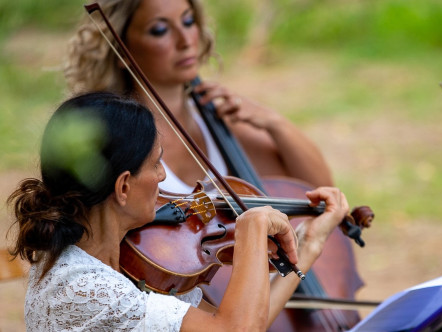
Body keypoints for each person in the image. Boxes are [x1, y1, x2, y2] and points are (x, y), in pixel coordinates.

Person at [64, 0, 363, 325]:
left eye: (189, 21)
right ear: (124, 46)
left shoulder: (217, 120)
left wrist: (273, 122)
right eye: (160, 29)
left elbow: (316, 188)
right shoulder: (119, 141)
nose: (185, 40)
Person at [8, 91, 350, 331]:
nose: (162, 177)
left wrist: (307, 248)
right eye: (157, 163)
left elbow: (244, 322)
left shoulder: (117, 261)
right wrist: (251, 229)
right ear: (123, 187)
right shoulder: (85, 289)